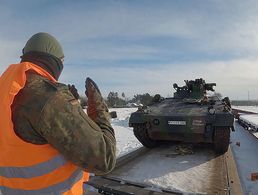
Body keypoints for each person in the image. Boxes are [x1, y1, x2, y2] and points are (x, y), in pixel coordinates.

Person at [0, 32, 116, 194]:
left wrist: (73, 112)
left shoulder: (6, 93)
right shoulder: (49, 97)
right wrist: (98, 110)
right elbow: (104, 159)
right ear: (55, 63)